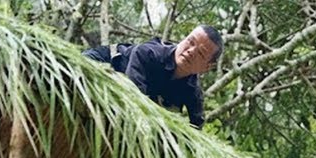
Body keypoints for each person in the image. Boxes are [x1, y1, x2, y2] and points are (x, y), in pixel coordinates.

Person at [81, 25, 223, 128]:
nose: (191, 51)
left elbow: (197, 127)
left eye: (201, 53)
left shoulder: (193, 92)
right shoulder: (148, 53)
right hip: (105, 60)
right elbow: (133, 98)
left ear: (206, 67)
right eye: (190, 42)